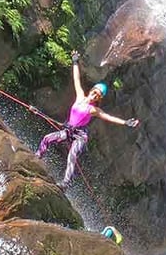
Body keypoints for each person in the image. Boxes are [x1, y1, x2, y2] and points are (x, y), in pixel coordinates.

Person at [35, 50, 139, 189]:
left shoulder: (93, 110)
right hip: (68, 130)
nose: (96, 95)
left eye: (99, 95)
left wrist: (125, 122)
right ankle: (37, 157)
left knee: (72, 155)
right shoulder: (80, 97)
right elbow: (76, 79)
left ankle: (65, 183)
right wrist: (75, 62)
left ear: (99, 98)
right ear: (92, 91)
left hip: (80, 136)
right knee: (47, 138)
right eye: (95, 92)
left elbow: (108, 117)